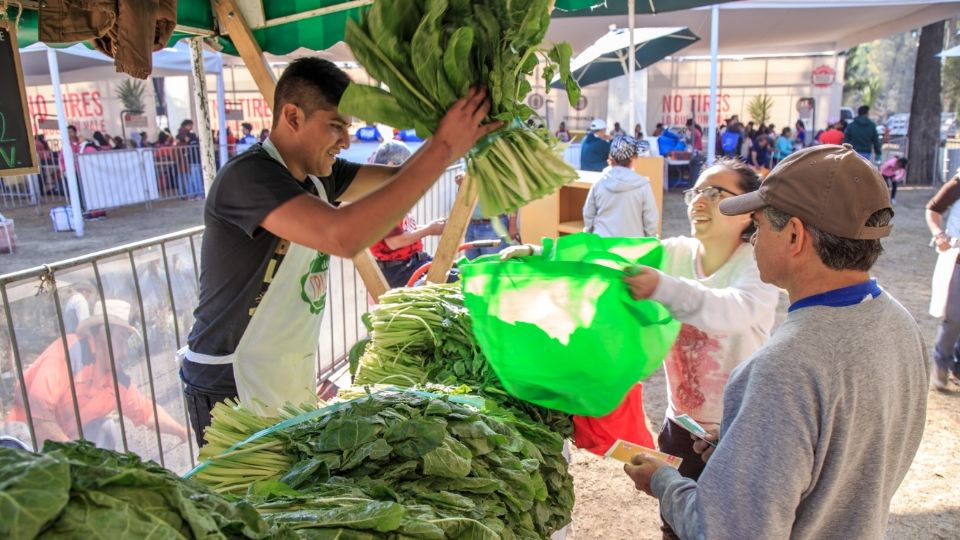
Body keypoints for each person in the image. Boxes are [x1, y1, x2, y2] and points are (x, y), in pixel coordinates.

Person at [179, 57, 500, 443]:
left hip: (280, 370)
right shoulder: (248, 177)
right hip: (227, 378)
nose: (346, 141)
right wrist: (444, 144)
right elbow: (343, 236)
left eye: (347, 128)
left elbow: (401, 180)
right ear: (293, 116)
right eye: (335, 126)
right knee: (244, 501)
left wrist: (458, 145)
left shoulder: (319, 177)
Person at [625, 144, 928, 540]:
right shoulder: (900, 325)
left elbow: (726, 531)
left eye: (762, 227)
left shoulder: (782, 369)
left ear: (795, 236)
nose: (754, 239)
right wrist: (748, 445)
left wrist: (664, 481)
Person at [623, 158, 780, 540]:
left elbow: (731, 310)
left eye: (715, 193)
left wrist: (662, 287)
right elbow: (607, 259)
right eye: (695, 192)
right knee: (675, 525)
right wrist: (542, 256)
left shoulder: (759, 267)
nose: (698, 201)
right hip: (680, 428)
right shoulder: (674, 253)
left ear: (747, 211)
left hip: (736, 435)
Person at [4, 300, 190, 449]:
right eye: (121, 340)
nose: (125, 352)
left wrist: (183, 432)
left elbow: (147, 412)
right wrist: (78, 460)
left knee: (104, 428)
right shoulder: (68, 353)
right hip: (25, 440)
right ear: (103, 333)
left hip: (62, 444)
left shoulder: (113, 376)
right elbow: (38, 419)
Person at [367, 141, 447, 288]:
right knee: (454, 279)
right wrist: (429, 229)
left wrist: (433, 227)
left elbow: (402, 232)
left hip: (411, 264)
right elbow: (395, 241)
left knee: (454, 272)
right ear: (392, 164)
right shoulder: (383, 199)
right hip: (400, 271)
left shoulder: (391, 194)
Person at [582, 136, 659, 238]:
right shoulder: (642, 185)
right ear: (633, 158)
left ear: (611, 158)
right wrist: (650, 238)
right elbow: (651, 220)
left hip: (602, 246)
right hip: (632, 247)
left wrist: (589, 233)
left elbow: (588, 214)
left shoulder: (599, 182)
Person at [925, 170, 960, 389]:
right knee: (954, 317)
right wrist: (939, 234)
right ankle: (941, 364)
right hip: (957, 261)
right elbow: (933, 209)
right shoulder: (958, 184)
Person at [176, 119, 203, 199]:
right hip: (191, 159)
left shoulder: (185, 135)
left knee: (192, 178)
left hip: (190, 159)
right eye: (190, 125)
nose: (191, 127)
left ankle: (193, 194)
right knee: (194, 178)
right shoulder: (188, 134)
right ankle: (196, 194)